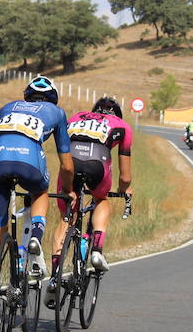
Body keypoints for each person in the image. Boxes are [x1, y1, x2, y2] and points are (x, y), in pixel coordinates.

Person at [0, 75, 73, 323]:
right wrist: (68, 190)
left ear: (26, 95)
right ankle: (35, 238)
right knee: (40, 191)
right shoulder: (57, 113)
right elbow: (67, 165)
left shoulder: (6, 108)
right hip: (29, 162)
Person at [51, 95, 133, 280]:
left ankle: (55, 276)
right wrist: (124, 189)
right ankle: (96, 249)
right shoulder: (122, 125)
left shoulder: (77, 116)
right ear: (117, 115)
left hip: (70, 162)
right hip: (98, 163)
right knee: (101, 199)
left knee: (67, 217)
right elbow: (125, 177)